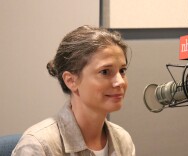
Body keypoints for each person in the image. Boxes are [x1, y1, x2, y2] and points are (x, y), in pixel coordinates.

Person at [12, 25, 135, 156]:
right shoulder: (38, 146)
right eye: (105, 72)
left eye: (122, 71)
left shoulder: (122, 140)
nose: (120, 82)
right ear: (71, 81)